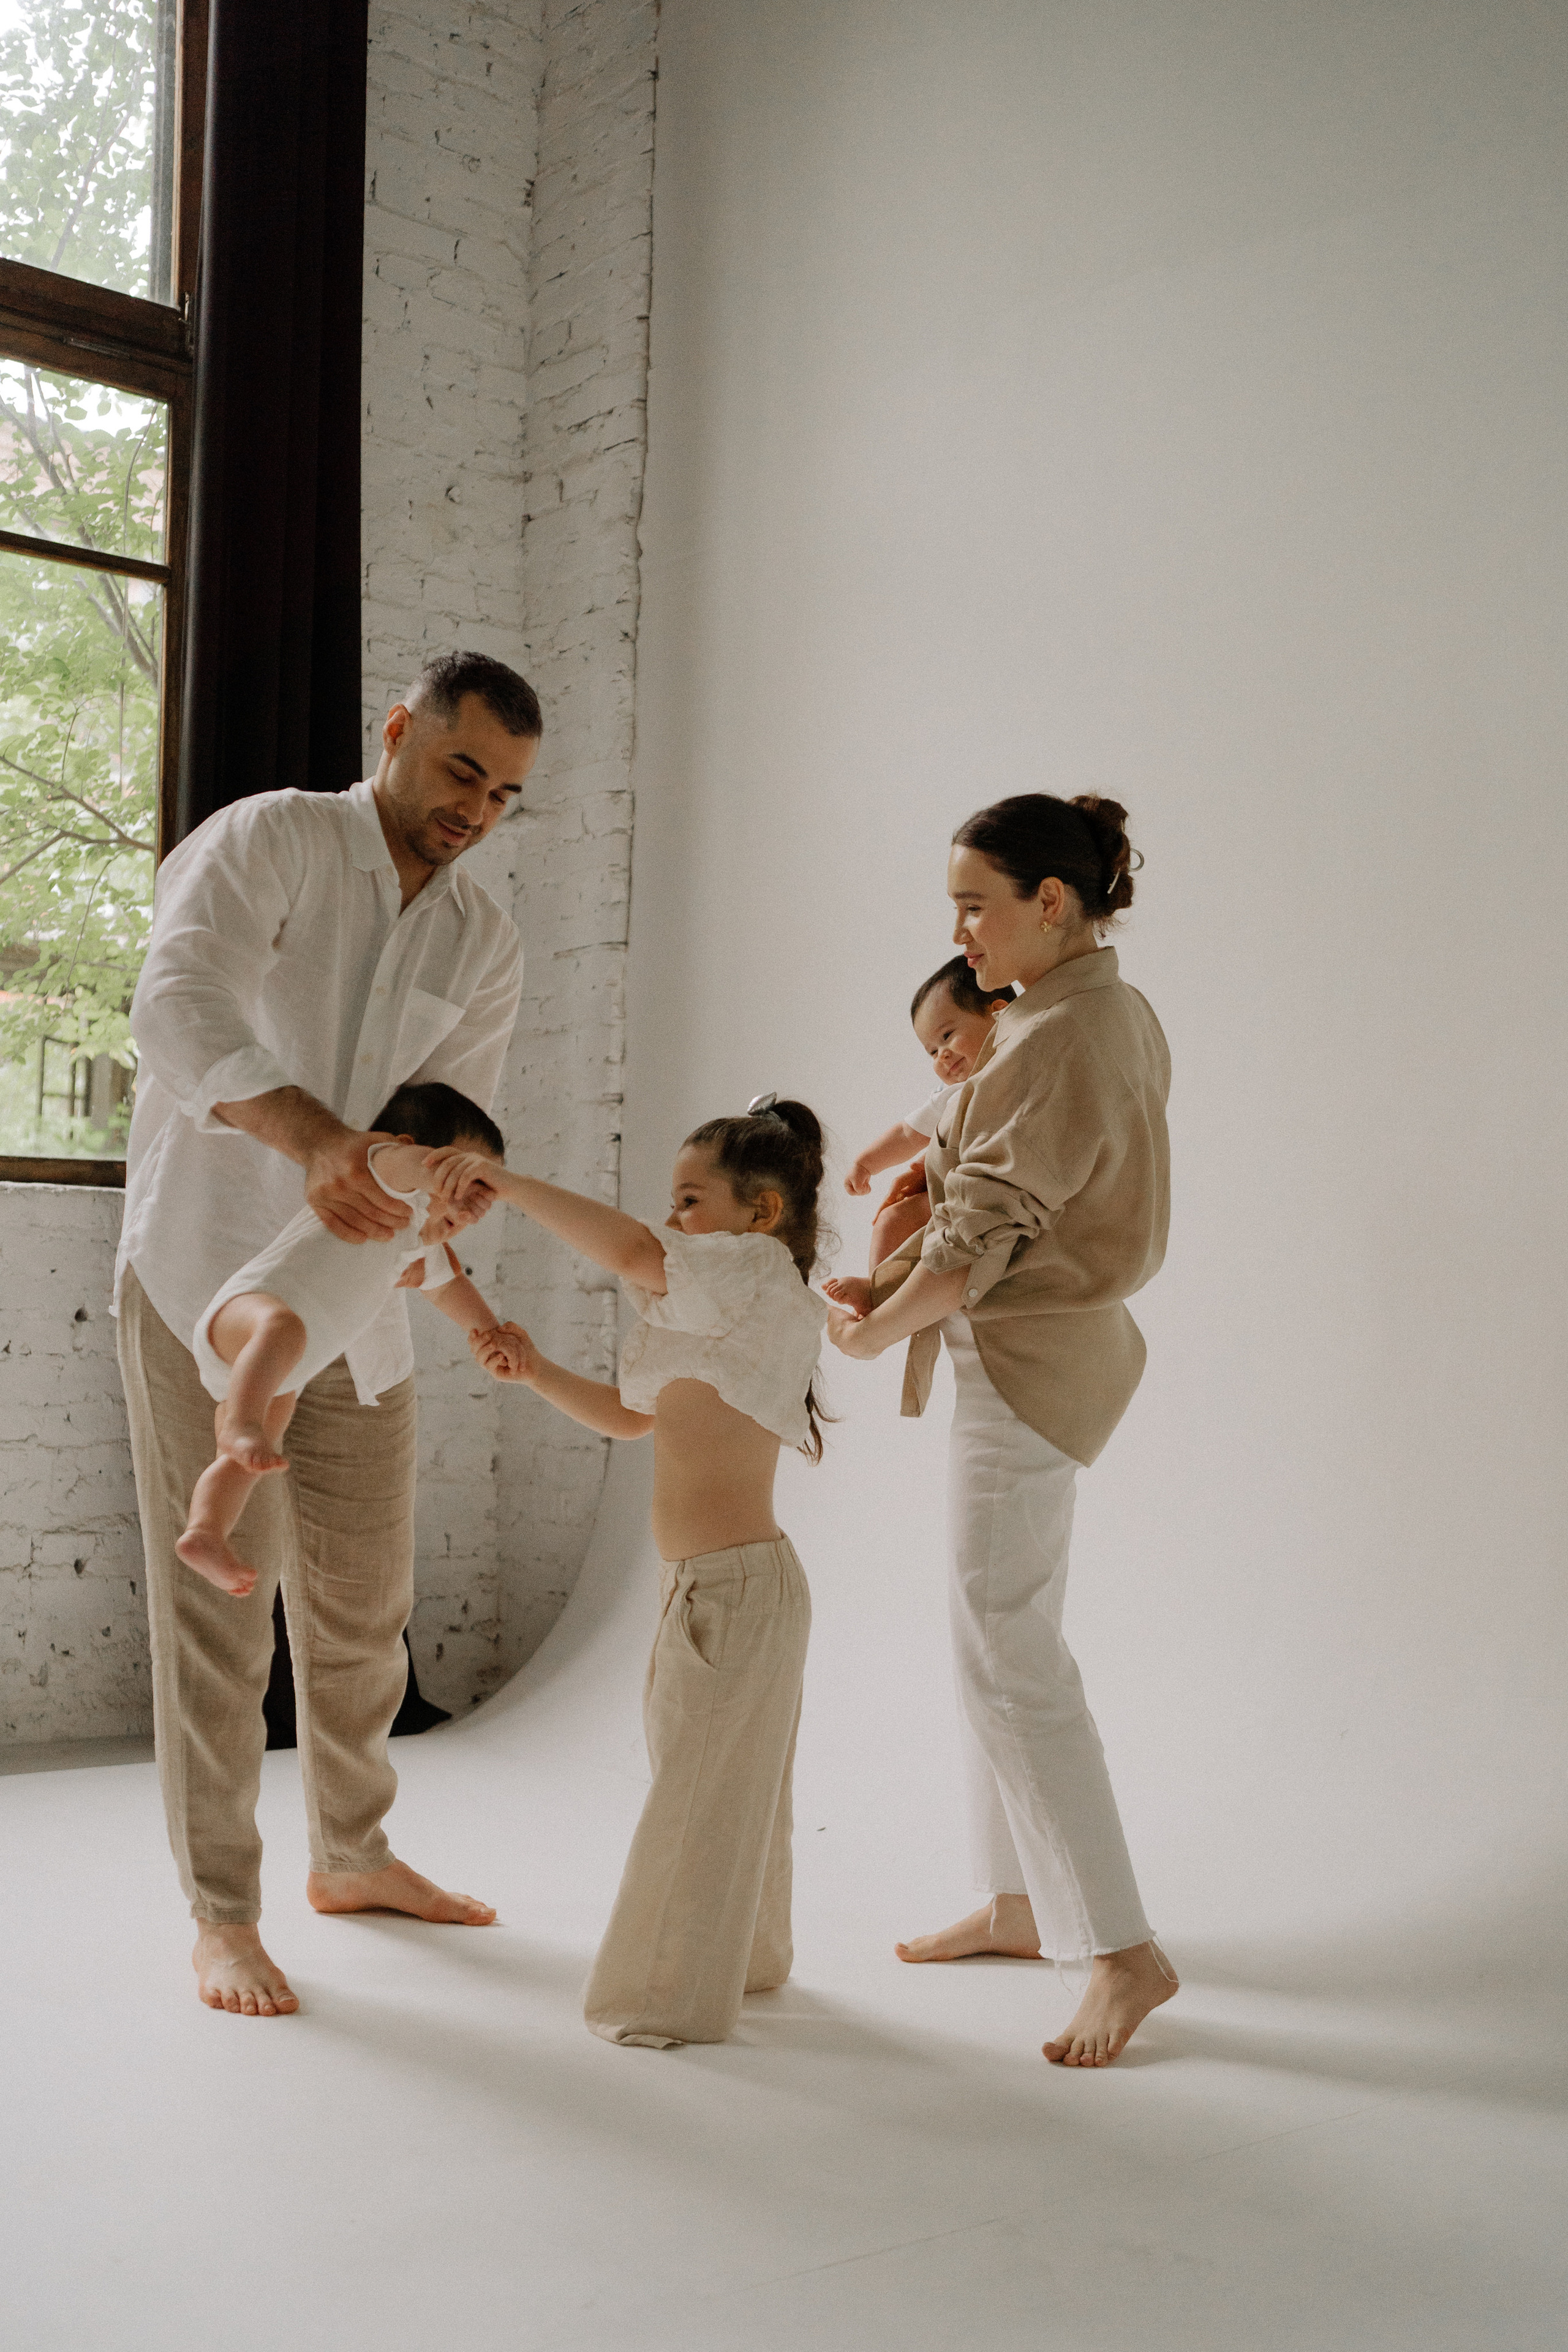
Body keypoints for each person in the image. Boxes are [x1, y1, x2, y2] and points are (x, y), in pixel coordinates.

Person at [114, 649, 539, 2017]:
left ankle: (353, 1854)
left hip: (365, 1295)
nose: (475, 809)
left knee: (364, 1608)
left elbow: (449, 1129)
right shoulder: (275, 838)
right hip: (204, 1275)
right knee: (221, 1614)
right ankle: (222, 1916)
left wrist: (442, 1220)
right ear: (400, 732)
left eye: (506, 794)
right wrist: (313, 1141)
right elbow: (173, 1007)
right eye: (461, 770)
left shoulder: (484, 939)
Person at [824, 794, 1177, 2068]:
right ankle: (1025, 1904)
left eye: (975, 904)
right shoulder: (1088, 1013)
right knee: (994, 1634)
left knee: (1004, 1648)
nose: (960, 932)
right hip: (1042, 1356)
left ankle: (1120, 1951)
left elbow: (977, 1244)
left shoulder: (1053, 1038)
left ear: (1050, 902)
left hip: (1029, 1360)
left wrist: (868, 1331)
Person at [432, 1097, 829, 2048]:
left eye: (690, 1201)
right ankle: (745, 1957)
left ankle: (661, 1998)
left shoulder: (757, 1274)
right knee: (727, 1783)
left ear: (761, 1214)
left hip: (733, 1588)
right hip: (717, 1588)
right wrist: (532, 1369)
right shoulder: (720, 1312)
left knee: (697, 1793)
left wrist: (505, 1182)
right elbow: (628, 1417)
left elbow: (628, 1251)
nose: (672, 1221)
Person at [178, 1083, 510, 1597]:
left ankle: (205, 1532)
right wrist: (425, 1171)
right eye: (460, 1176)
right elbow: (405, 1166)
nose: (469, 1201)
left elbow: (452, 1289)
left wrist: (490, 1331)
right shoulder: (380, 1178)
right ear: (406, 1150)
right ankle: (240, 1423)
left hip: (282, 1369)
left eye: (480, 1192)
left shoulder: (419, 1248)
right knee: (283, 1330)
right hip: (245, 1315)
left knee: (242, 1464)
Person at [843, 957, 1014, 1270]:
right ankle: (875, 1293)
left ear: (1000, 1014)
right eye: (932, 1052)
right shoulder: (952, 1095)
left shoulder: (1027, 1066)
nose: (942, 1056)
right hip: (952, 1198)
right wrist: (866, 1163)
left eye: (947, 1036)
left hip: (999, 1196)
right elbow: (909, 1135)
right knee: (892, 1221)